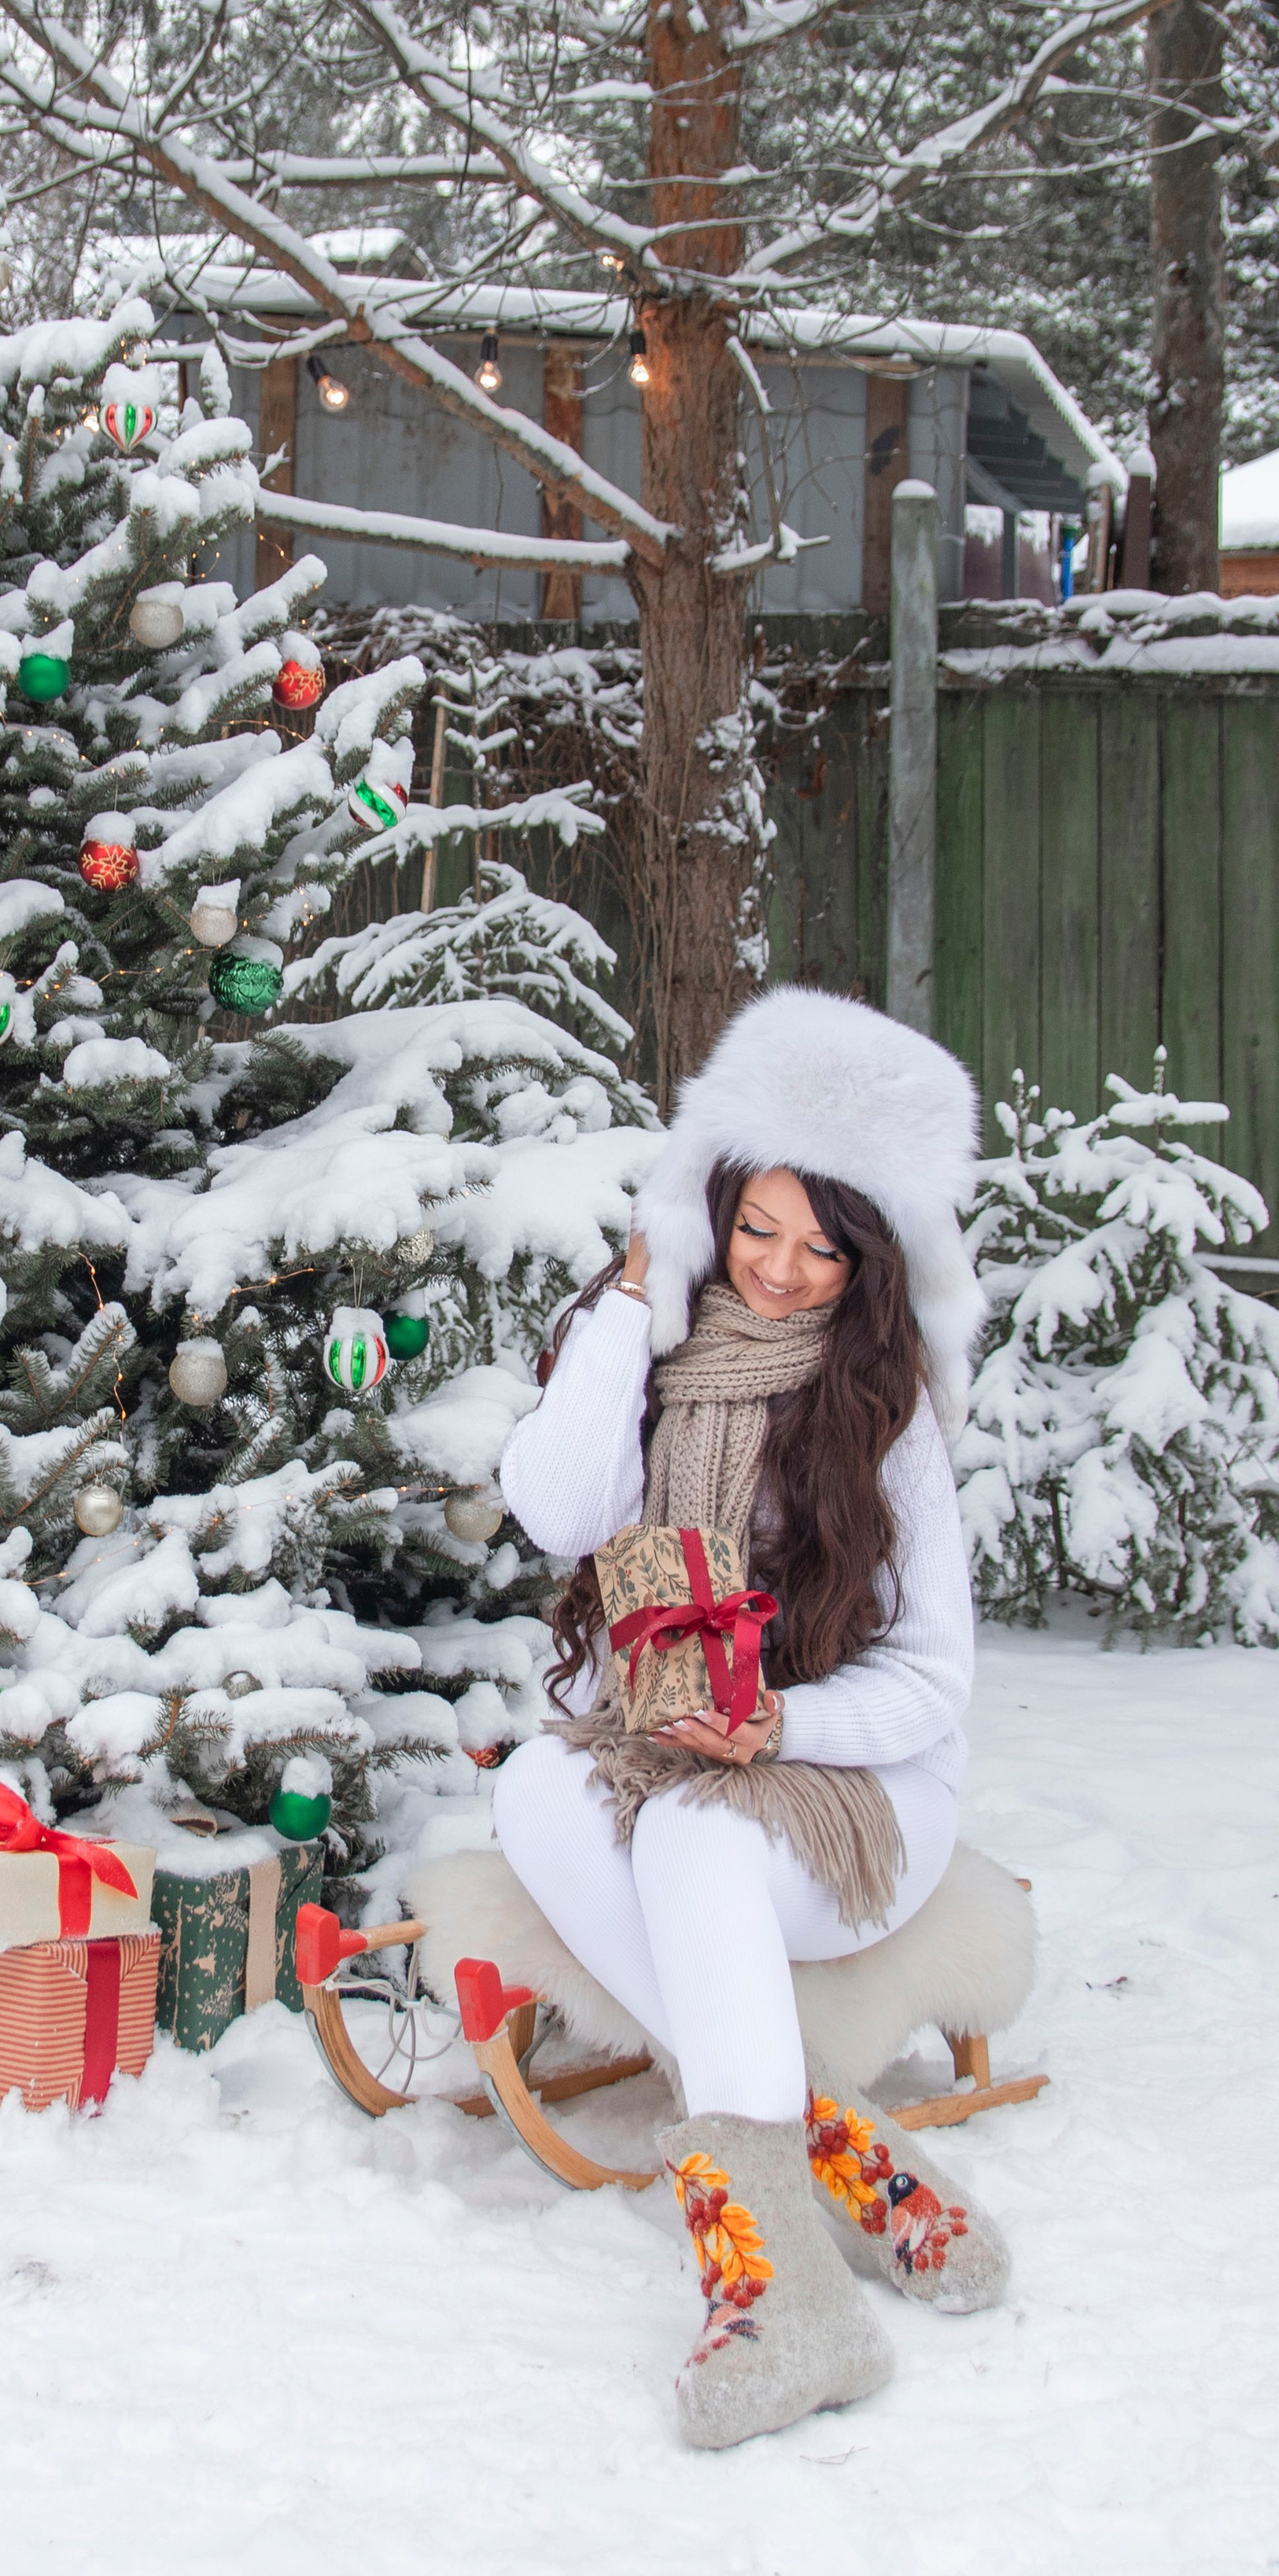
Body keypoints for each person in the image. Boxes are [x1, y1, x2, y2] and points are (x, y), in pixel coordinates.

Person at [492, 987, 1008, 2449]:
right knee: (536, 1792)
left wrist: (775, 1728)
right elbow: (556, 1510)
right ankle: (842, 2145)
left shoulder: (883, 1410)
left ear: (871, 1260)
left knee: (699, 1839)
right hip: (675, 1752)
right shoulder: (656, 1352)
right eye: (755, 1225)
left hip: (857, 1791)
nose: (778, 1270)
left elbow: (931, 1682)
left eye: (822, 1246)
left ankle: (771, 2296)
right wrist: (630, 1299)